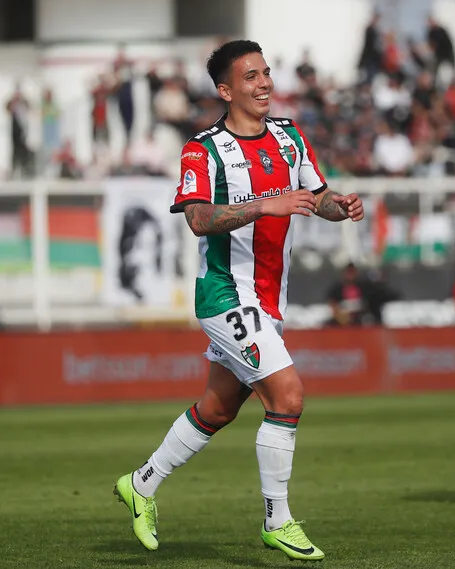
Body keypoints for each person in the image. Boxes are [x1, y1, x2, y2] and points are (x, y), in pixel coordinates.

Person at [112, 40, 364, 561]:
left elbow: (316, 199)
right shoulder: (201, 150)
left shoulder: (290, 137)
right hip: (225, 293)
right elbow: (199, 219)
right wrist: (264, 204)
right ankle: (278, 519)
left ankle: (141, 483)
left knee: (219, 407)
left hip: (270, 301)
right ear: (226, 90)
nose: (264, 83)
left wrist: (339, 205)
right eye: (250, 77)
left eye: (266, 73)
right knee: (288, 397)